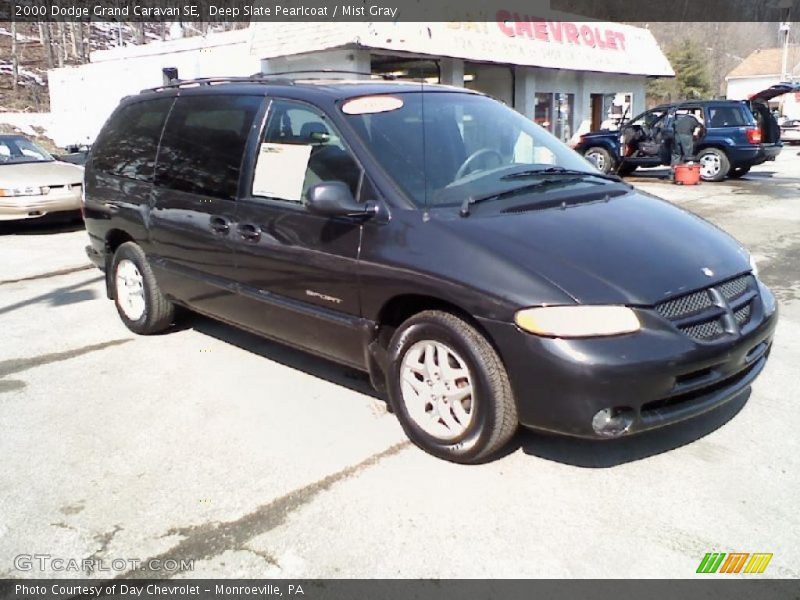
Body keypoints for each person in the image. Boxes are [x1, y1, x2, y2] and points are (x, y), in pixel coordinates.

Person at [669, 111, 704, 179]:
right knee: (688, 156)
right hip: (686, 136)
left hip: (676, 136)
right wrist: (696, 138)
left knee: (676, 155)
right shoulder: (697, 121)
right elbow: (695, 133)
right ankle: (687, 175)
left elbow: (674, 124)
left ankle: (672, 174)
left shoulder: (683, 118)